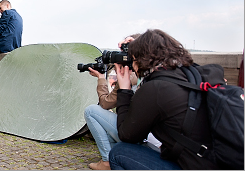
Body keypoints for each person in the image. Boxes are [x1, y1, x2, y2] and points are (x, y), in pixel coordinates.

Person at [109, 29, 221, 170]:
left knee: (119, 153)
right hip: (217, 160)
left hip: (194, 166)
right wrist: (138, 43)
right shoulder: (192, 74)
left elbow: (127, 135)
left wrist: (124, 90)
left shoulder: (156, 88)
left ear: (140, 60)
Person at [83, 34, 142, 170]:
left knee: (91, 111)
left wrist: (101, 79)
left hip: (134, 135)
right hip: (150, 140)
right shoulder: (151, 75)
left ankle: (107, 161)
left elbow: (105, 103)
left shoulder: (129, 77)